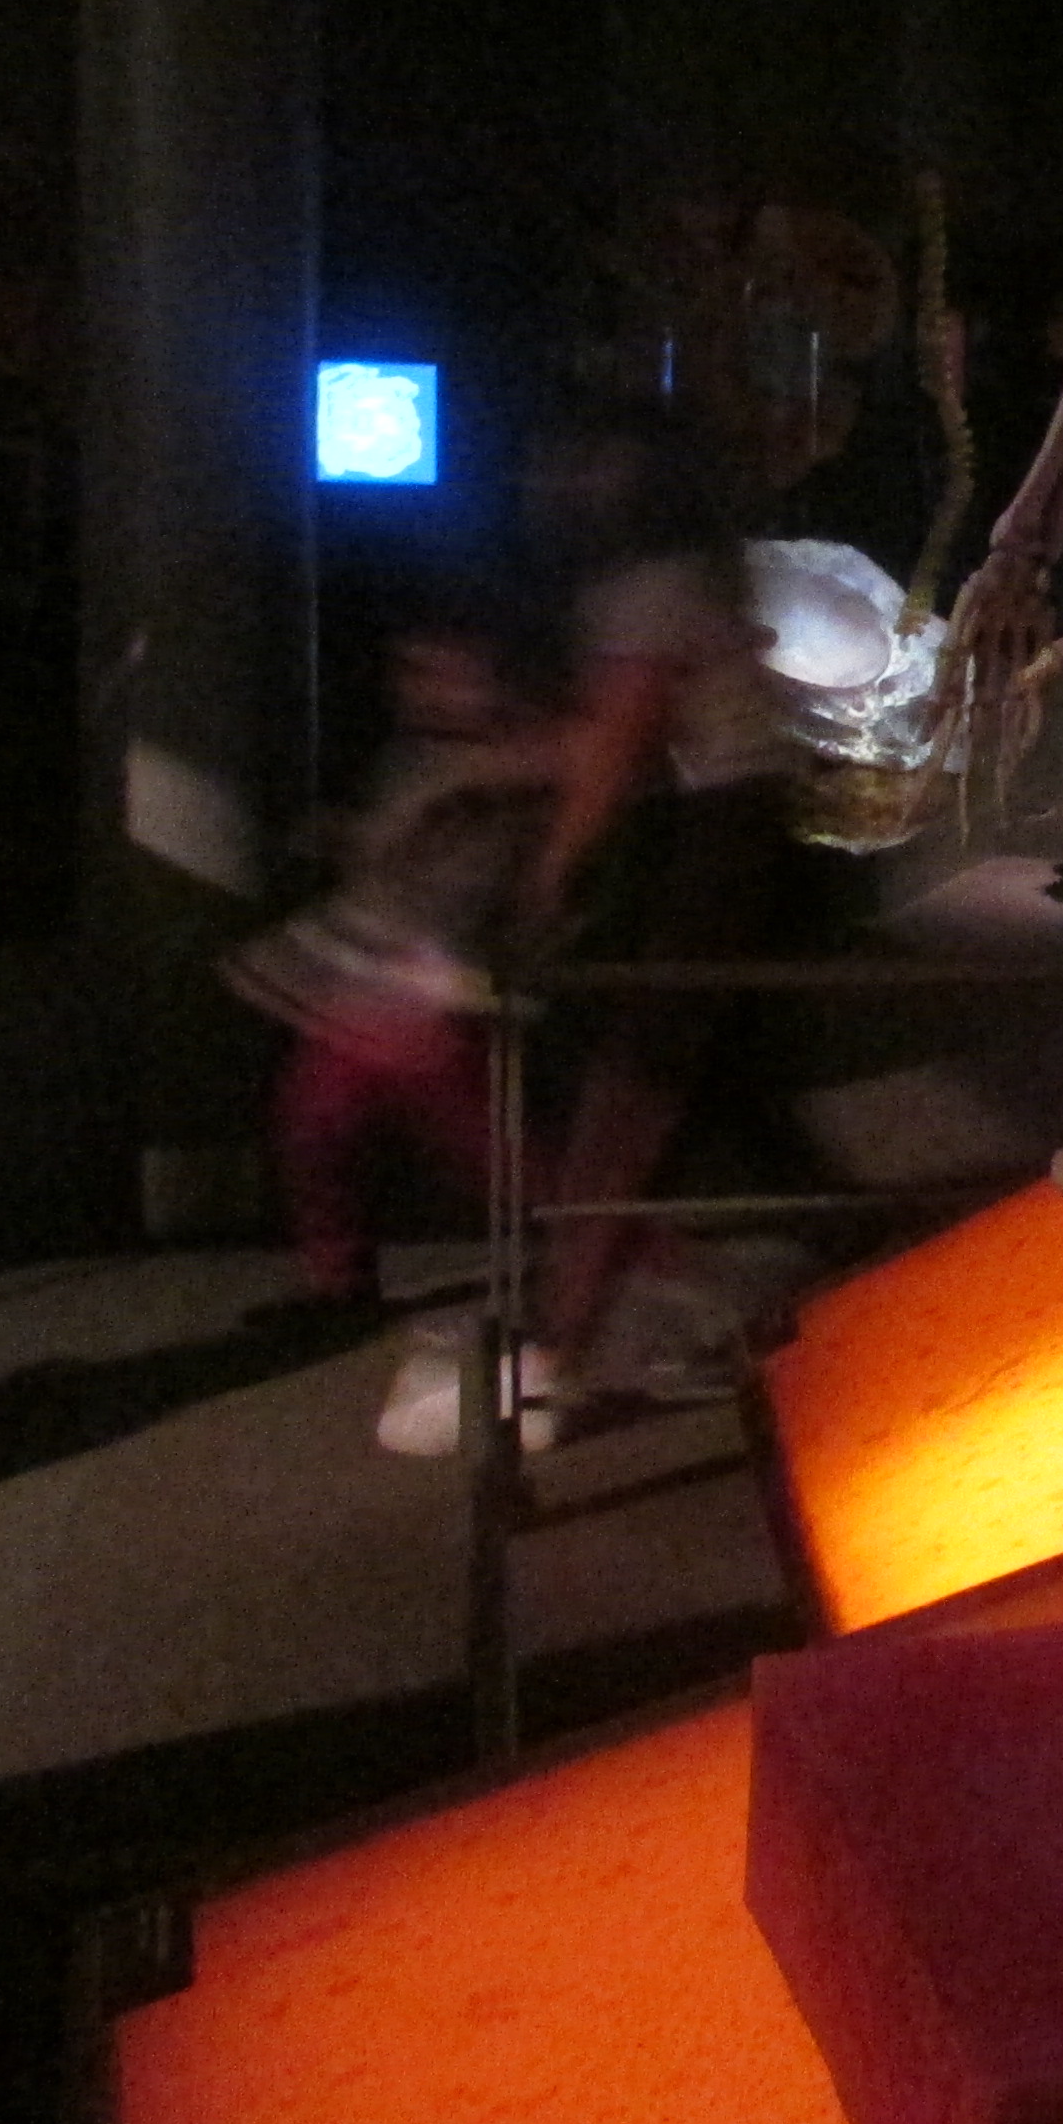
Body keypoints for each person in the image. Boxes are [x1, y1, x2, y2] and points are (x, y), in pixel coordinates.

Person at [505, 399, 801, 1416]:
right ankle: (750, 1312)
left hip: (702, 849)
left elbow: (617, 744)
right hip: (737, 842)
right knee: (696, 1102)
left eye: (580, 461)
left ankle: (562, 1349)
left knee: (623, 1105)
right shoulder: (698, 575)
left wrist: (550, 875)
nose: (555, 482)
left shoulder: (648, 588)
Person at [226, 617, 551, 1311]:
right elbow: (397, 851)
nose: (425, 691)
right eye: (414, 673)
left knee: (477, 1145)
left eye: (445, 674)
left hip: (424, 979)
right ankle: (337, 1279)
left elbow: (542, 769)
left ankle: (625, 1250)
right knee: (322, 1120)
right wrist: (353, 837)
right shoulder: (417, 757)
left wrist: (449, 790)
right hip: (376, 975)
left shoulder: (499, 759)